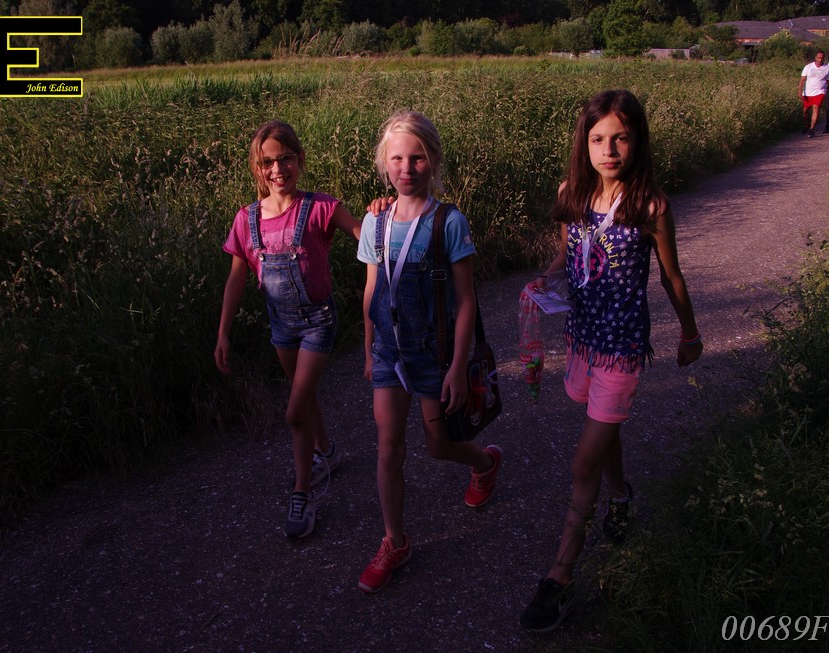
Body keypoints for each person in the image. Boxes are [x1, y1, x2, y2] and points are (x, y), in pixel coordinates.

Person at [519, 90, 703, 632]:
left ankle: (560, 577)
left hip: (622, 347)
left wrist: (690, 333)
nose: (609, 150)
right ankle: (620, 496)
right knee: (603, 428)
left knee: (583, 462)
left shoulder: (650, 206)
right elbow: (568, 251)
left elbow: (671, 276)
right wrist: (547, 277)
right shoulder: (572, 194)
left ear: (638, 140)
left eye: (620, 138)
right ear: (584, 143)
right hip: (582, 340)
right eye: (598, 139)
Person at [355, 110, 502, 594]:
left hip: (434, 356)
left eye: (417, 158)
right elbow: (372, 290)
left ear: (434, 161)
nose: (406, 168)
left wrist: (458, 367)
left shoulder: (449, 223)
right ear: (384, 163)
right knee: (388, 446)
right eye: (397, 158)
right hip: (389, 354)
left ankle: (484, 463)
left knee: (438, 445)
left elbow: (466, 301)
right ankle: (394, 541)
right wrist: (368, 346)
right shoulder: (374, 221)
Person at [215, 120, 360, 539]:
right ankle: (326, 452)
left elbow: (365, 235)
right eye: (267, 163)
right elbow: (237, 278)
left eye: (285, 159)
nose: (277, 170)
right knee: (304, 395)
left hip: (318, 323)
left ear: (300, 160)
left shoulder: (320, 208)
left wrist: (381, 213)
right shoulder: (247, 220)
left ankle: (302, 493)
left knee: (294, 410)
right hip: (281, 326)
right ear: (256, 168)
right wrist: (223, 332)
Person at [800, 50, 829, 137]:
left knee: (816, 107)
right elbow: (802, 80)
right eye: (819, 58)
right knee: (805, 111)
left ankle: (812, 129)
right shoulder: (808, 67)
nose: (820, 60)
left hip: (820, 91)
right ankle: (807, 124)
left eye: (822, 58)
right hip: (808, 92)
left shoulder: (827, 68)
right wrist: (800, 91)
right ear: (815, 58)